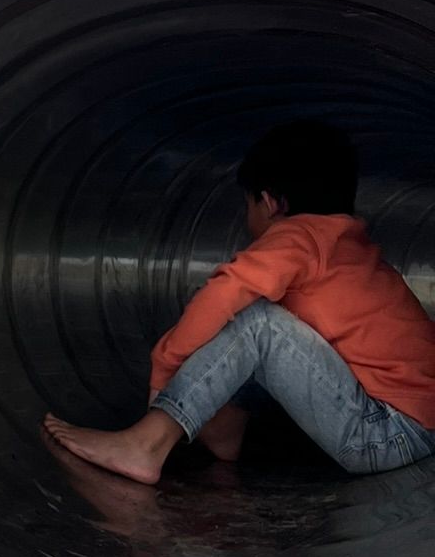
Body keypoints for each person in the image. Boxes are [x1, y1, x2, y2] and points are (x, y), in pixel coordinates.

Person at [44, 120, 435, 484]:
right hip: (409, 428)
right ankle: (227, 425)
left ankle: (147, 444)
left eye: (247, 205)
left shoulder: (300, 235)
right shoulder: (343, 245)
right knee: (272, 320)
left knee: (258, 322)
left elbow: (226, 292)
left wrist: (166, 365)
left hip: (388, 434)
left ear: (269, 203)